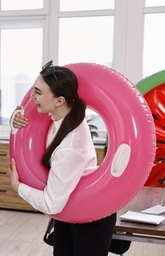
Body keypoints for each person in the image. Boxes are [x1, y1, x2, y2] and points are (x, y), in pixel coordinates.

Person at [9, 61, 116, 256]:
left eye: (38, 93)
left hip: (91, 216)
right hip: (69, 209)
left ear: (59, 100)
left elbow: (51, 203)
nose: (32, 97)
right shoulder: (62, 117)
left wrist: (18, 187)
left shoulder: (71, 146)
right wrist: (15, 117)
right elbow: (29, 128)